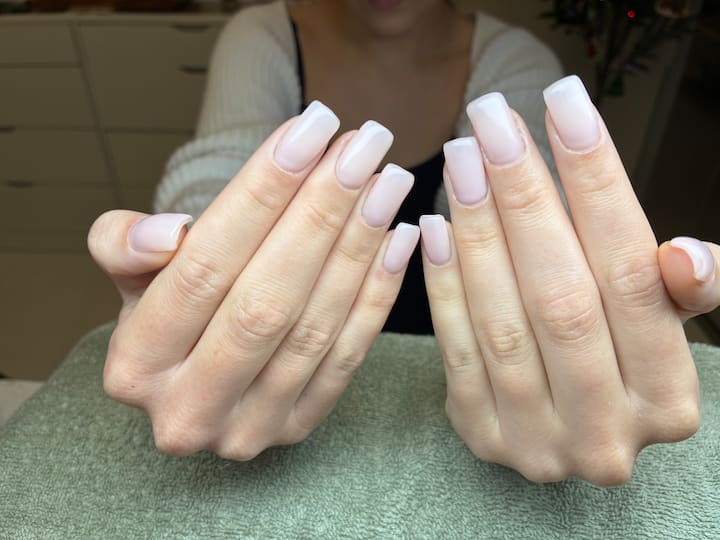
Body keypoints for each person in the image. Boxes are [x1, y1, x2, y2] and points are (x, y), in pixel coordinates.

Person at [88, 0, 720, 486]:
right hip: (281, 356)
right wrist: (192, 272)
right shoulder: (262, 32)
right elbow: (215, 174)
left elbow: (523, 225)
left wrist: (578, 308)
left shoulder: (512, 55)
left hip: (453, 362)